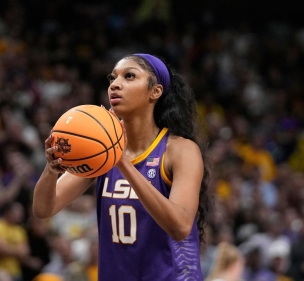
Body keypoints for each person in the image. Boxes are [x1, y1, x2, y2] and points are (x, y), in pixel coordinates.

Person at [33, 53, 210, 280]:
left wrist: (123, 162)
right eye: (112, 78)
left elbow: (180, 226)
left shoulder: (179, 150)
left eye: (129, 76)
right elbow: (43, 209)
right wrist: (51, 170)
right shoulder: (101, 150)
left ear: (155, 91)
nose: (115, 85)